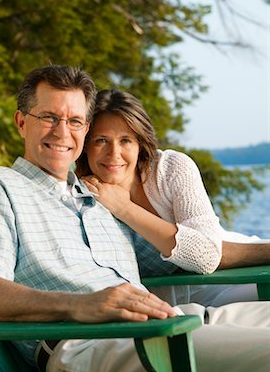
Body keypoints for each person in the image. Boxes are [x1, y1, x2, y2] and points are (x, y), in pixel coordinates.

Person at [0, 66, 269, 372]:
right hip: (94, 357)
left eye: (76, 121)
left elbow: (193, 256)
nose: (63, 132)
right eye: (49, 117)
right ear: (21, 122)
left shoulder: (96, 197)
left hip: (173, 325)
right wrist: (80, 305)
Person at [76, 88, 270, 306]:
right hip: (164, 305)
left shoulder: (170, 169)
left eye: (126, 140)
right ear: (85, 146)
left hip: (227, 279)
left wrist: (124, 208)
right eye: (101, 140)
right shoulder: (78, 195)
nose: (114, 153)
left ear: (140, 144)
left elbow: (206, 255)